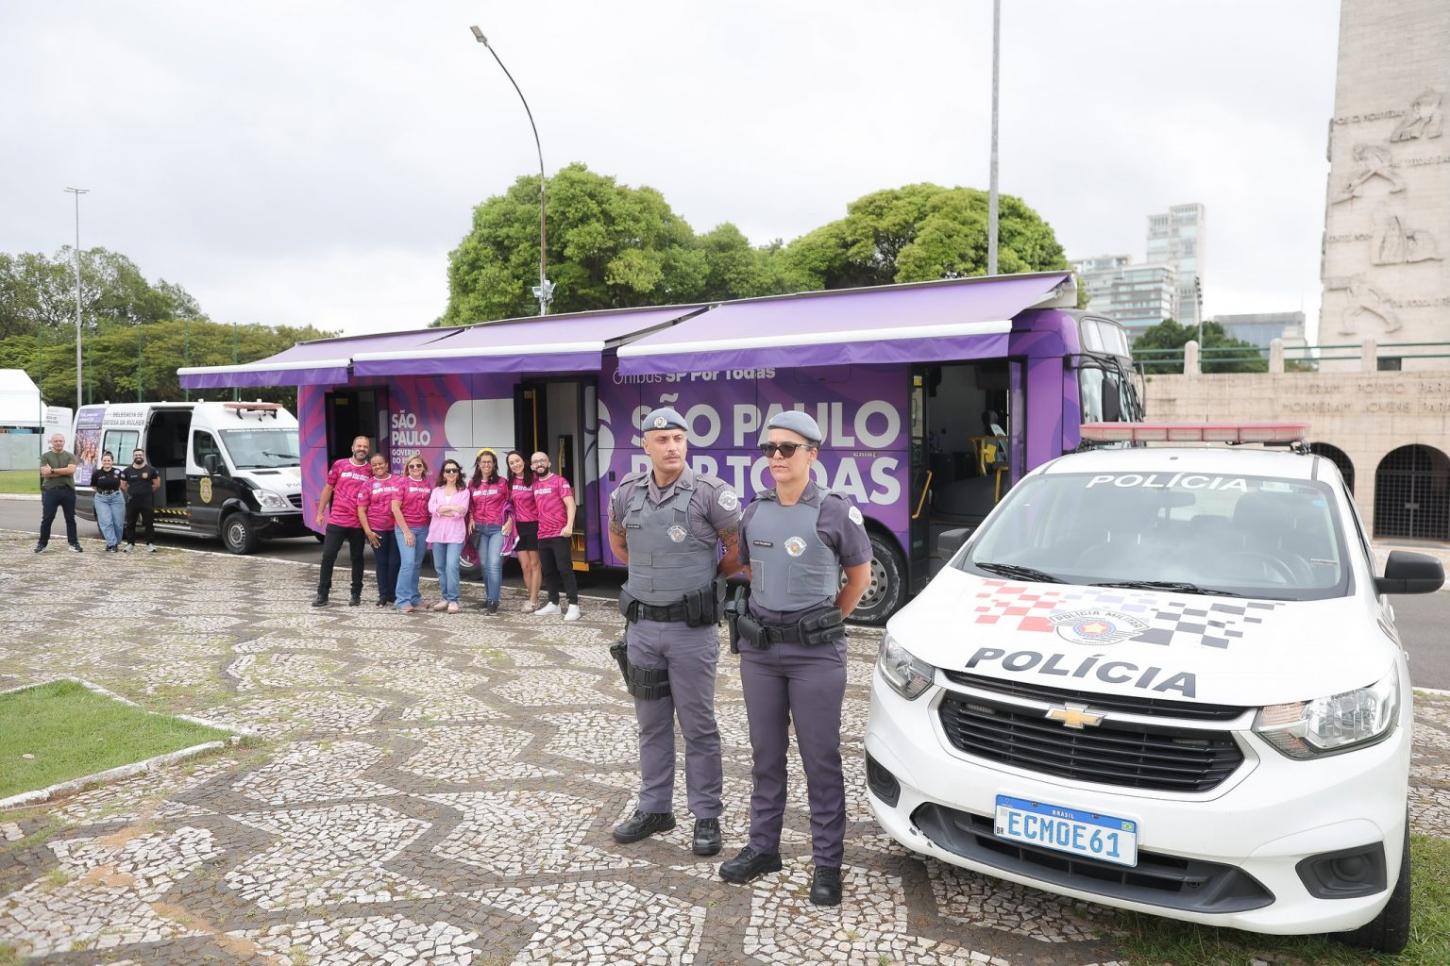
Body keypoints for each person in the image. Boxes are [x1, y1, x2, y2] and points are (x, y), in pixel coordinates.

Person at [718, 411, 873, 907]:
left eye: (788, 448)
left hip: (815, 655)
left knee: (820, 759)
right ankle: (764, 848)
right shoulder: (755, 510)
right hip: (761, 652)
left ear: (812, 453)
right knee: (765, 756)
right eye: (770, 449)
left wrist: (826, 622)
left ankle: (827, 862)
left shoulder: (834, 511)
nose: (777, 457)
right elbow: (744, 566)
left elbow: (859, 580)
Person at [608, 407, 741, 857]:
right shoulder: (627, 493)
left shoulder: (711, 495)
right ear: (645, 444)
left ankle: (706, 816)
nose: (672, 447)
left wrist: (699, 581)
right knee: (650, 724)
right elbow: (618, 539)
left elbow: (735, 551)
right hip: (643, 628)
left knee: (699, 726)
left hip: (691, 629)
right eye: (662, 439)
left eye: (679, 439)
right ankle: (655, 808)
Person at [312, 436, 373, 607]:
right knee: (328, 556)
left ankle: (356, 594)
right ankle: (322, 594)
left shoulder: (370, 470)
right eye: (359, 446)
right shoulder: (340, 465)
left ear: (368, 449)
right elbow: (328, 488)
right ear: (352, 448)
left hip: (358, 522)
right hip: (337, 519)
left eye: (365, 446)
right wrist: (320, 512)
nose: (362, 448)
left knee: (357, 558)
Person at [530, 450, 580, 621]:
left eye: (542, 460)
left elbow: (570, 504)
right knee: (549, 571)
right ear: (532, 466)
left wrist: (569, 525)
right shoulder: (534, 485)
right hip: (542, 534)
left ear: (549, 463)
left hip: (560, 533)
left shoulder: (560, 481)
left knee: (564, 569)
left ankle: (573, 605)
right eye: (536, 462)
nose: (539, 464)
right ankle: (554, 604)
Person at [469, 449, 511, 615]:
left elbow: (511, 503)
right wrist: (471, 517)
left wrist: (510, 520)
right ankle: (488, 598)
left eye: (489, 462)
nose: (486, 464)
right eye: (483, 462)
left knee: (494, 564)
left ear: (494, 464)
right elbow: (470, 505)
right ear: (478, 464)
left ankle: (494, 601)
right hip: (480, 529)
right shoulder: (473, 484)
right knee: (485, 565)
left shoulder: (502, 482)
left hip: (497, 528)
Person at [357, 453, 402, 607]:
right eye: (374, 465)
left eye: (380, 464)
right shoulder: (367, 485)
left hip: (396, 529)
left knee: (395, 562)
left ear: (387, 464)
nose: (378, 467)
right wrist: (368, 532)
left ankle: (394, 594)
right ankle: (383, 595)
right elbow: (361, 510)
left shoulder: (398, 481)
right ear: (371, 467)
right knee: (382, 563)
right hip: (377, 530)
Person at [427, 458, 470, 614]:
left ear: (458, 473)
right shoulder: (437, 490)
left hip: (455, 534)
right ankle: (444, 598)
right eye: (448, 471)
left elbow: (462, 511)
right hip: (437, 533)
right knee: (440, 567)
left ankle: (453, 599)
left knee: (451, 566)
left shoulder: (464, 491)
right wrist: (452, 507)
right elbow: (431, 508)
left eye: (454, 470)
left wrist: (442, 509)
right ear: (443, 474)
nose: (451, 473)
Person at [391, 455, 432, 614]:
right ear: (407, 469)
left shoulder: (427, 484)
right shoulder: (401, 483)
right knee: (408, 563)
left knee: (416, 564)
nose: (415, 469)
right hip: (405, 529)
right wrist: (407, 531)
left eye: (418, 466)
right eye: (412, 466)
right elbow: (395, 508)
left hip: (422, 528)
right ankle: (401, 600)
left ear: (424, 468)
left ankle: (414, 597)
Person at [506, 450, 542, 612]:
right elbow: (508, 506)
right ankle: (532, 597)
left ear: (524, 461)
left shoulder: (535, 479)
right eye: (511, 463)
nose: (515, 464)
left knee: (535, 564)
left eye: (517, 461)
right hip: (518, 527)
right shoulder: (509, 483)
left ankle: (533, 600)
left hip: (534, 525)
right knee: (525, 565)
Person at [36, 432, 82, 553]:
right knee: (47, 518)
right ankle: (42, 544)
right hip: (51, 491)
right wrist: (62, 471)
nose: (58, 443)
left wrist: (52, 470)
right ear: (51, 442)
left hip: (68, 491)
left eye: (60, 441)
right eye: (56, 441)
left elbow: (71, 471)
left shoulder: (70, 456)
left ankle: (73, 543)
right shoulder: (45, 456)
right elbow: (44, 473)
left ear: (64, 442)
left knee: (70, 518)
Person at [119, 447, 161, 553]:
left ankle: (150, 544)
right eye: (136, 455)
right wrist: (132, 492)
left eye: (140, 455)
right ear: (133, 457)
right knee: (130, 523)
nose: (138, 457)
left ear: (143, 456)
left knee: (148, 523)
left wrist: (146, 492)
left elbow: (156, 484)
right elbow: (123, 485)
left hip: (146, 500)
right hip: (132, 501)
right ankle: (130, 544)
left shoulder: (150, 470)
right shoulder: (127, 471)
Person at [91, 452, 125, 552]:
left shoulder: (118, 472)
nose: (106, 462)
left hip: (116, 498)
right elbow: (93, 486)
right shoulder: (97, 473)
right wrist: (102, 492)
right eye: (104, 460)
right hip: (101, 498)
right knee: (106, 521)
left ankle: (115, 542)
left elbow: (121, 484)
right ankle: (112, 543)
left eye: (108, 460)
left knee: (118, 522)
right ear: (102, 461)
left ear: (112, 461)